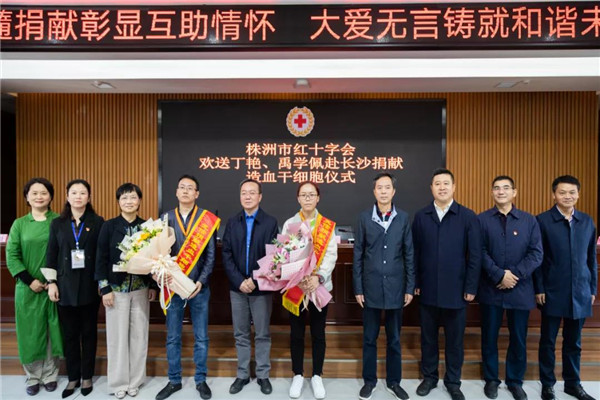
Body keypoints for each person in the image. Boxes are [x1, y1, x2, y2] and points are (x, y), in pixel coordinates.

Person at [412, 168, 481, 400]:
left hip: (457, 290)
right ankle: (429, 377)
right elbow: (415, 253)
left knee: (455, 341)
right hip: (428, 289)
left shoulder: (467, 216)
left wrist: (471, 287)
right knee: (428, 338)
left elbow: (475, 255)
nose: (442, 187)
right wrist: (416, 282)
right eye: (437, 184)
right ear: (431, 188)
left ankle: (453, 382)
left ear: (454, 187)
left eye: (446, 183)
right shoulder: (421, 216)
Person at [478, 176, 543, 400]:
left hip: (520, 288)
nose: (501, 192)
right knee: (489, 337)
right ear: (492, 192)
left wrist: (513, 275)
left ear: (514, 192)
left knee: (518, 338)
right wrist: (499, 274)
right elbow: (479, 252)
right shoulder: (482, 220)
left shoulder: (529, 220)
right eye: (496, 188)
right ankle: (491, 379)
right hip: (491, 287)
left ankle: (515, 381)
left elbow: (536, 253)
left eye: (506, 188)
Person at [534, 175, 597, 400]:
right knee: (548, 341)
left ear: (578, 194)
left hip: (580, 291)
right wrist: (539, 288)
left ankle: (573, 384)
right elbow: (538, 259)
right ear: (554, 195)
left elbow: (591, 259)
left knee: (574, 342)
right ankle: (548, 384)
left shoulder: (587, 222)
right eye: (562, 192)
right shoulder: (542, 221)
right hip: (552, 290)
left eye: (572, 192)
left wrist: (592, 288)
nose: (567, 196)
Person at [155, 175, 218, 400]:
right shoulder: (166, 218)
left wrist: (201, 280)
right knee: (173, 337)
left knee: (201, 337)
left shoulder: (206, 219)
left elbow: (211, 254)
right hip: (173, 286)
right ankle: (174, 380)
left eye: (190, 188)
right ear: (176, 191)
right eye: (181, 187)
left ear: (196, 194)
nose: (185, 191)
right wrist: (165, 275)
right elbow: (159, 253)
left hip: (199, 287)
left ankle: (201, 380)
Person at [353, 172, 415, 400]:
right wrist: (358, 288)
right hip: (370, 288)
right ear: (374, 191)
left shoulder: (403, 218)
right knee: (369, 338)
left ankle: (394, 382)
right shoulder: (364, 218)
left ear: (393, 191)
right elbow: (358, 255)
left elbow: (409, 254)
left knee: (394, 339)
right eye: (379, 187)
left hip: (396, 288)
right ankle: (369, 381)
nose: (383, 191)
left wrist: (410, 287)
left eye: (387, 187)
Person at [95, 183, 158, 399]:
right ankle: (119, 383)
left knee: (139, 337)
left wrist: (152, 286)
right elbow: (101, 258)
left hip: (141, 289)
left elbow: (155, 259)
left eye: (133, 197)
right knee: (117, 339)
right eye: (124, 198)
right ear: (118, 202)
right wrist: (105, 288)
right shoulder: (109, 226)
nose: (129, 201)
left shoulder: (148, 228)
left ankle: (135, 381)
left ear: (139, 200)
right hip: (116, 291)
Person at [44, 179, 104, 398]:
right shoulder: (58, 223)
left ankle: (87, 376)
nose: (78, 196)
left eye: (83, 193)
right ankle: (73, 377)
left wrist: (102, 283)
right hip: (64, 286)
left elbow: (101, 255)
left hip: (89, 286)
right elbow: (51, 254)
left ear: (89, 197)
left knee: (89, 333)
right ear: (67, 196)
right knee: (69, 335)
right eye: (74, 193)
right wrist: (51, 282)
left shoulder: (97, 221)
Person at [6, 178, 63, 396]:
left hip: (53, 287)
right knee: (30, 332)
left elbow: (64, 253)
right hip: (27, 287)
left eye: (44, 193)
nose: (39, 197)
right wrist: (30, 280)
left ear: (51, 196)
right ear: (27, 197)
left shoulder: (59, 221)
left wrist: (53, 281)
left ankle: (50, 374)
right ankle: (32, 376)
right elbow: (12, 256)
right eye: (34, 193)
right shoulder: (19, 224)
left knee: (52, 331)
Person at [222, 178, 278, 396]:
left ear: (260, 196)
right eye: (244, 192)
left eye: (252, 192)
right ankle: (243, 374)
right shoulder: (232, 222)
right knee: (241, 333)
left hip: (261, 287)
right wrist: (239, 281)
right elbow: (226, 254)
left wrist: (254, 279)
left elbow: (274, 256)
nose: (247, 196)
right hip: (237, 288)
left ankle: (263, 375)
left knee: (262, 333)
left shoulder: (270, 222)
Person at [282, 181, 338, 400]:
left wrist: (318, 277)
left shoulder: (327, 225)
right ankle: (297, 374)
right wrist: (299, 277)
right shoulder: (290, 223)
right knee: (296, 333)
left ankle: (316, 375)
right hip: (296, 287)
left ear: (318, 198)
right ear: (298, 198)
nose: (307, 198)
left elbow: (331, 255)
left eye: (311, 194)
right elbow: (283, 254)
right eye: (303, 195)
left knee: (318, 332)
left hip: (319, 287)